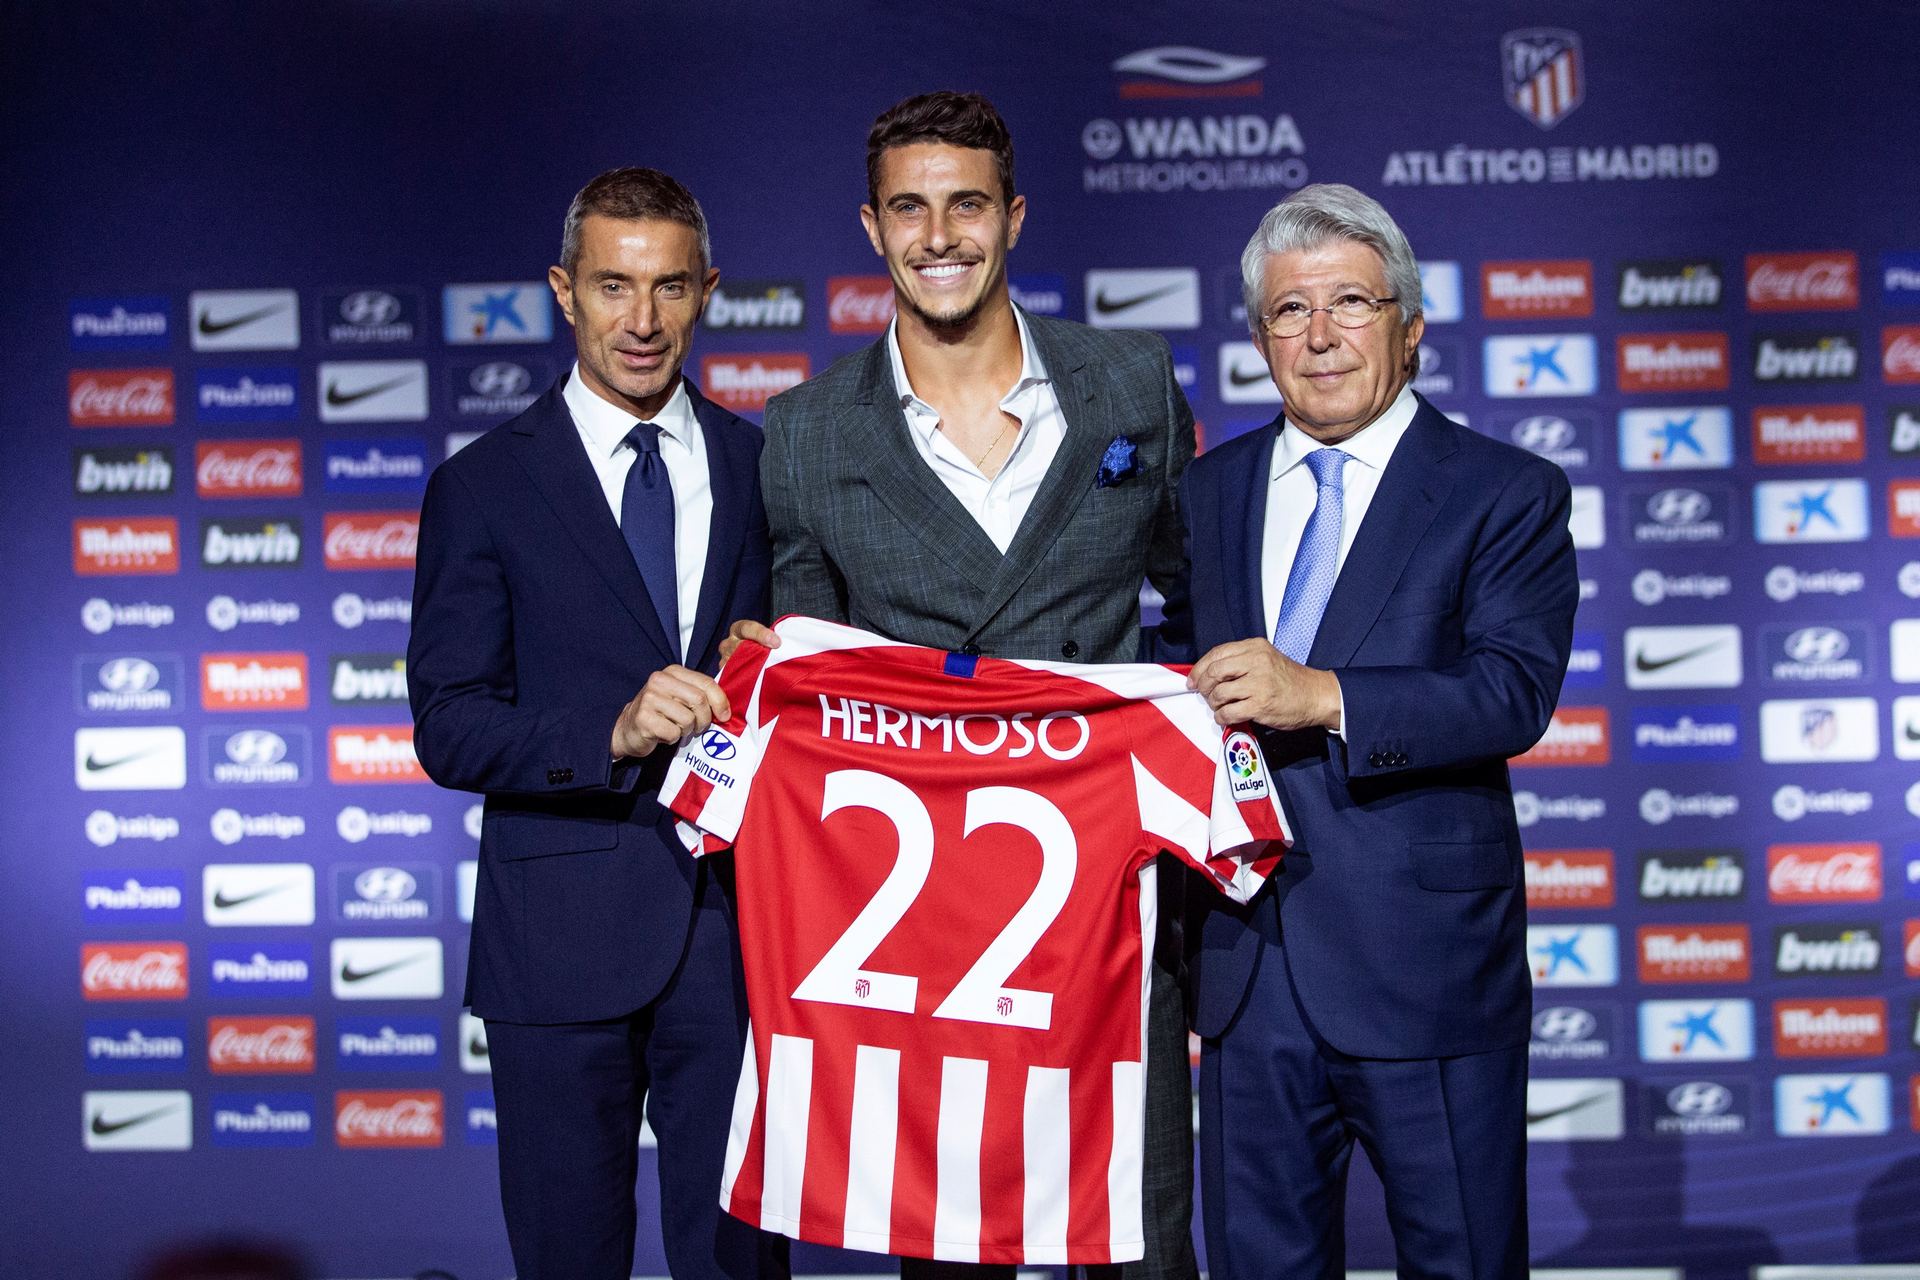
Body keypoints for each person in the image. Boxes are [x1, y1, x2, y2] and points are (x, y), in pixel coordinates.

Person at [726, 91, 1198, 1279]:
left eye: (968, 204)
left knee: (1141, 1238)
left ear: (1016, 217)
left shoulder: (1131, 385)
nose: (941, 236)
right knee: (950, 1255)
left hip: (1105, 905)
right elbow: (813, 668)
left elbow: (1198, 609)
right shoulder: (806, 433)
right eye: (910, 208)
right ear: (873, 228)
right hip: (921, 935)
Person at [1176, 183, 1577, 1279]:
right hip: (1248, 968)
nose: (1320, 336)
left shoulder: (1506, 490)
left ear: (1410, 321)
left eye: (1349, 301)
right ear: (1259, 337)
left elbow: (1511, 691)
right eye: (1289, 312)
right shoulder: (1206, 490)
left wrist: (1325, 695)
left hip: (1427, 968)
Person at [408, 167, 784, 1280]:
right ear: (563, 292)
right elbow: (449, 725)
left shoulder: (766, 466)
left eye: (670, 287)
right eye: (614, 287)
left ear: (707, 290)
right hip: (555, 947)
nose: (643, 320)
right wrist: (609, 731)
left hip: (735, 936)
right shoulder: (481, 487)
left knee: (741, 1265)